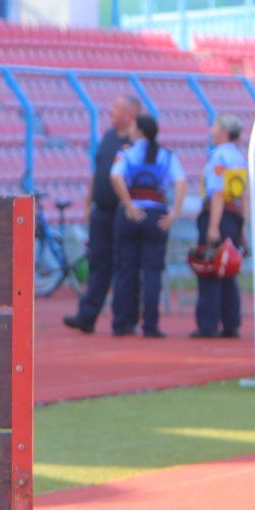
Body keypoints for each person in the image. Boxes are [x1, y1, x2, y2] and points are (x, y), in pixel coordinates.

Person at [63, 94, 141, 333]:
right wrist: (88, 203)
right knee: (98, 262)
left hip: (122, 212)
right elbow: (97, 172)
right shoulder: (108, 137)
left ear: (129, 115)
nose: (111, 111)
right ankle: (87, 316)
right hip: (102, 210)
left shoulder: (136, 142)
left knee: (125, 266)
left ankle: (124, 320)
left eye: (116, 108)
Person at [109, 113, 186, 338]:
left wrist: (128, 204)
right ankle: (150, 325)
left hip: (131, 214)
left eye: (133, 127)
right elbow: (181, 181)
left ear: (140, 131)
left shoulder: (125, 153)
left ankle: (122, 322)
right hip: (156, 214)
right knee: (153, 272)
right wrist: (174, 213)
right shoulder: (167, 155)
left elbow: (115, 177)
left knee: (126, 271)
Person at [190, 113, 248, 339]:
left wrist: (213, 226)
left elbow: (217, 193)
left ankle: (208, 324)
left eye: (214, 126)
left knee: (210, 267)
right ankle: (231, 322)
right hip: (234, 216)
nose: (210, 130)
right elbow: (244, 195)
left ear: (224, 132)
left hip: (218, 215)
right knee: (228, 269)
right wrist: (242, 226)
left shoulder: (219, 157)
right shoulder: (239, 158)